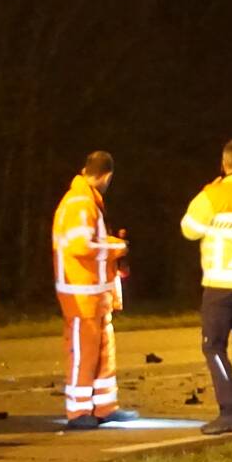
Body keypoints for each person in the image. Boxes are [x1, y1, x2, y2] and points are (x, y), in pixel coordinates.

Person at [52, 151, 139, 429]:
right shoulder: (80, 204)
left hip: (95, 294)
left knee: (102, 352)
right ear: (107, 176)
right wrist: (117, 248)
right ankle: (78, 412)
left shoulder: (88, 201)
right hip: (81, 294)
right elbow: (80, 247)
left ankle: (104, 407)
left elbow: (90, 243)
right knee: (83, 353)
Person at [181, 139, 232, 435]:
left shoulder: (212, 196)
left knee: (213, 346)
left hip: (221, 284)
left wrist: (208, 194)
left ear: (223, 165)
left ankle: (230, 411)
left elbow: (189, 230)